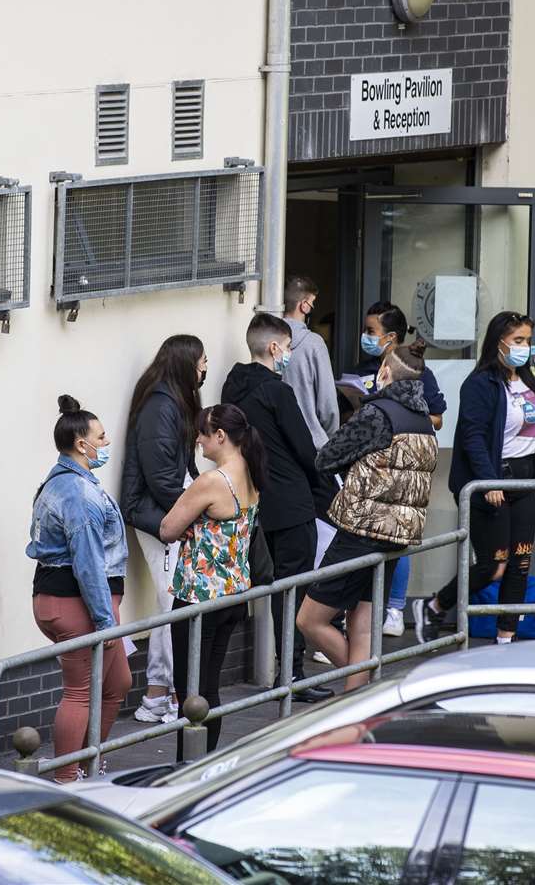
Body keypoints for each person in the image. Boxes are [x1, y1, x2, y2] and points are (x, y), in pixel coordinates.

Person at [415, 312, 535, 643]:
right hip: (491, 481)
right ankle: (435, 605)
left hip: (525, 480)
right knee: (494, 565)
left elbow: (529, 433)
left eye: (527, 340)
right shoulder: (480, 384)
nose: (524, 347)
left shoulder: (527, 380)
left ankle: (505, 639)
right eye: (518, 340)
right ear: (499, 342)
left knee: (520, 563)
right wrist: (489, 482)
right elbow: (474, 437)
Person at [297, 348, 437, 691]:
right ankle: (359, 702)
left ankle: (370, 691)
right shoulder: (424, 421)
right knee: (362, 624)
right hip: (397, 535)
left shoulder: (376, 413)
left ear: (385, 372)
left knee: (310, 620)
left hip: (360, 529)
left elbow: (326, 459)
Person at [220, 314, 336, 703]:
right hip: (292, 502)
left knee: (275, 588)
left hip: (257, 501)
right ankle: (293, 673)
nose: (288, 355)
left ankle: (285, 672)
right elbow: (305, 448)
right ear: (274, 348)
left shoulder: (233, 389)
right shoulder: (277, 392)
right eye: (287, 348)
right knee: (296, 589)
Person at [28, 395, 131, 784]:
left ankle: (90, 761)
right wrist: (104, 620)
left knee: (117, 682)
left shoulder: (65, 482)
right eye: (101, 438)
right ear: (81, 445)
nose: (106, 443)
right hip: (77, 603)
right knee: (81, 690)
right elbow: (88, 561)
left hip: (71, 599)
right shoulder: (78, 493)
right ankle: (68, 778)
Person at [160, 404, 264, 755]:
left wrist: (190, 526)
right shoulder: (251, 472)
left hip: (198, 597)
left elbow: (167, 528)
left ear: (221, 436)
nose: (199, 440)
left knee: (190, 692)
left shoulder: (211, 481)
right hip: (234, 593)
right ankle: (203, 765)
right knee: (210, 686)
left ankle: (185, 768)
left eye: (204, 433)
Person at [344, 301, 447, 638]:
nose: (364, 337)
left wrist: (395, 413)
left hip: (403, 465)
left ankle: (395, 608)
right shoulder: (360, 370)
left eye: (370, 332)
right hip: (368, 464)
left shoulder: (417, 372)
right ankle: (361, 610)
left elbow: (437, 418)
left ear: (390, 337)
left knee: (397, 536)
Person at [120, 335, 207, 725]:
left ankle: (159, 693)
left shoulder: (170, 401)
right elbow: (161, 478)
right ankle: (168, 694)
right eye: (202, 361)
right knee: (175, 602)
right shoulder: (161, 405)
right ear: (186, 363)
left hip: (166, 512)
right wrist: (192, 511)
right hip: (157, 516)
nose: (205, 367)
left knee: (169, 601)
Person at [282, 275, 341, 448]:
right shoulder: (314, 343)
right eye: (312, 303)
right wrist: (329, 439)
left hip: (277, 445)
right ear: (304, 306)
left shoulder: (267, 339)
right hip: (311, 443)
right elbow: (328, 405)